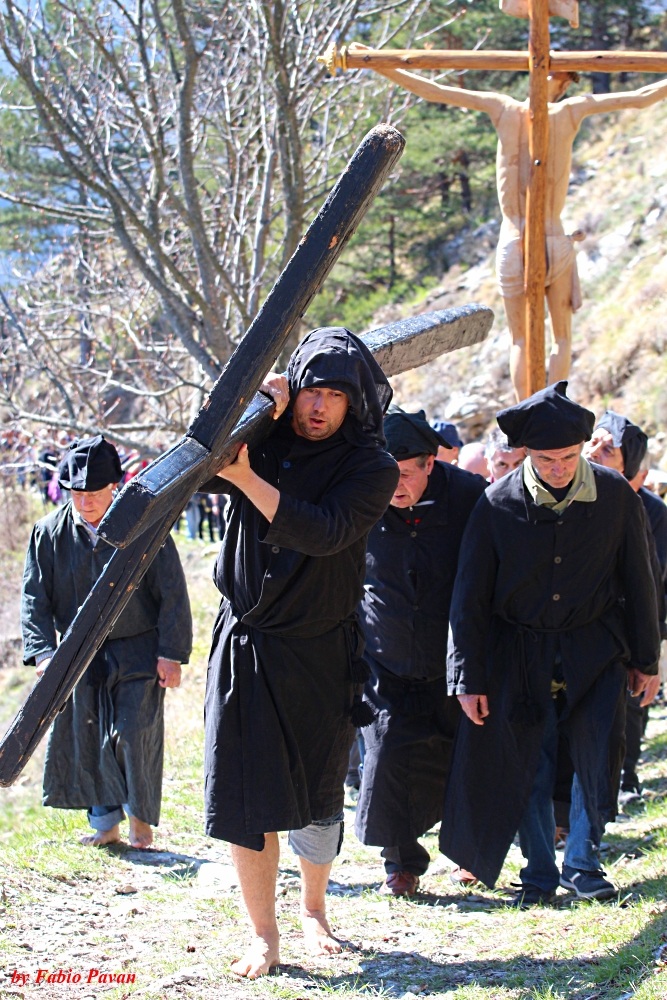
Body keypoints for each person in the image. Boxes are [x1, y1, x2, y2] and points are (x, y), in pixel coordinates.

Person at [202, 327, 399, 978]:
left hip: (317, 650)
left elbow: (324, 532)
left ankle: (314, 907)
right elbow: (196, 445)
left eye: (333, 395)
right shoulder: (265, 434)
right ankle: (264, 934)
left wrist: (246, 480)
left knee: (315, 794)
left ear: (354, 404)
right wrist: (250, 406)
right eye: (310, 391)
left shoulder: (372, 466)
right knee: (243, 794)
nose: (317, 407)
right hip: (245, 642)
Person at [440, 382, 660, 906]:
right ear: (526, 454)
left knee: (596, 754)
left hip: (598, 649)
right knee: (528, 762)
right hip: (518, 655)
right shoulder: (496, 503)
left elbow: (640, 581)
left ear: (582, 450)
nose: (558, 468)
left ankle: (584, 863)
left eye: (567, 457)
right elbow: (468, 597)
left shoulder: (614, 498)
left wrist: (647, 660)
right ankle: (539, 872)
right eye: (545, 458)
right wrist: (466, 676)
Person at [354, 49, 667, 400]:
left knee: (523, 338)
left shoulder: (506, 107)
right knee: (559, 337)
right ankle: (551, 407)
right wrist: (375, 63)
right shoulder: (565, 110)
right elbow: (641, 98)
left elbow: (432, 91)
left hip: (515, 240)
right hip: (552, 239)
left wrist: (375, 63)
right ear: (562, 82)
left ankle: (531, 411)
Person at [21, 435, 192, 849]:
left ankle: (141, 821)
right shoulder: (48, 534)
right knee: (89, 732)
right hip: (78, 655)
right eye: (77, 495)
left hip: (139, 646)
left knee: (134, 732)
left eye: (95, 493)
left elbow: (172, 590)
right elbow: (34, 598)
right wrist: (44, 652)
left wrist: (172, 653)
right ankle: (105, 825)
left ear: (115, 487)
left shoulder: (143, 525)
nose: (86, 503)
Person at [354, 409, 486, 896]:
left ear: (431, 463)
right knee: (387, 754)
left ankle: (468, 853)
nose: (396, 485)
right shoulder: (361, 498)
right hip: (383, 657)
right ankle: (401, 862)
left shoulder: (470, 498)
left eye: (407, 473)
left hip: (452, 656)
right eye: (387, 474)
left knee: (461, 756)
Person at [584, 410, 667, 804]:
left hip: (631, 630)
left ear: (627, 465)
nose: (593, 452)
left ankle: (624, 777)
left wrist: (654, 650)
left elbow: (655, 583)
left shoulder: (653, 514)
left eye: (608, 448)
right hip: (580, 632)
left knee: (630, 708)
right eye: (593, 441)